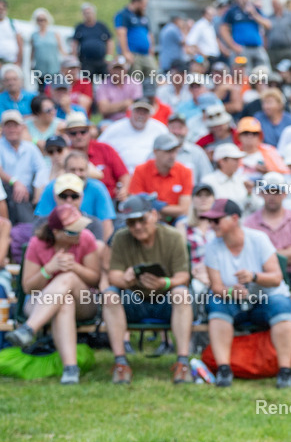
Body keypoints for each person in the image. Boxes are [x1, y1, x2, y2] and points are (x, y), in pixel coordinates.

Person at [202, 198, 291, 389]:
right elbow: (216, 287)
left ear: (234, 218)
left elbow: (276, 278)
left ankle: (285, 371)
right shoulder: (212, 246)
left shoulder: (258, 239)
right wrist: (231, 292)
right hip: (235, 302)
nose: (212, 225)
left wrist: (253, 276)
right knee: (216, 303)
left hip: (266, 298)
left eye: (216, 220)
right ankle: (224, 369)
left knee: (281, 305)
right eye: (210, 221)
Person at [102, 195, 193, 384]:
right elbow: (113, 276)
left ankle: (182, 363)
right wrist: (125, 280)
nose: (136, 227)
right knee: (110, 295)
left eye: (141, 220)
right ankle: (120, 363)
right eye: (131, 222)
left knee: (181, 293)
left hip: (164, 300)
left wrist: (164, 283)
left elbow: (183, 276)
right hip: (134, 299)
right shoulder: (120, 237)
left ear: (153, 215)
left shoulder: (173, 236)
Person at [7, 205, 100, 384]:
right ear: (56, 232)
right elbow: (28, 288)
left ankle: (28, 329)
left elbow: (95, 279)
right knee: (64, 303)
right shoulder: (38, 243)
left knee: (69, 277)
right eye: (73, 231)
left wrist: (75, 267)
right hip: (41, 303)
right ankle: (71, 369)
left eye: (81, 226)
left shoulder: (86, 239)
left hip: (84, 301)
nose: (80, 232)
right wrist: (49, 269)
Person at [244, 173, 291, 321]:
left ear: (284, 194)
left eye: (276, 191)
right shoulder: (250, 222)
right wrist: (287, 253)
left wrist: (267, 256)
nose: (272, 196)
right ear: (261, 193)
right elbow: (247, 254)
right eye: (268, 191)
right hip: (263, 276)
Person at [35, 149, 115, 240]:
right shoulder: (52, 187)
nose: (77, 174)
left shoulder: (98, 188)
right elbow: (42, 222)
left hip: (89, 234)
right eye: (63, 196)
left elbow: (106, 224)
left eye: (74, 196)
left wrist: (103, 250)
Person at [128, 133, 193, 222]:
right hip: (148, 220)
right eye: (168, 151)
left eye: (175, 151)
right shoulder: (141, 170)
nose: (172, 155)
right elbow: (136, 204)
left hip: (174, 220)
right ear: (155, 152)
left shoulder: (185, 171)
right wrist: (160, 210)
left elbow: (184, 210)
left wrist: (156, 205)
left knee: (183, 221)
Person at [97, 100, 170, 173]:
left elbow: (170, 149)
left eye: (145, 112)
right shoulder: (115, 128)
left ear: (150, 115)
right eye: (138, 111)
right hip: (121, 173)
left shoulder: (160, 128)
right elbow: (99, 147)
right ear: (131, 112)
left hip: (151, 173)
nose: (141, 115)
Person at [1, 109, 47, 221]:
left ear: (22, 127)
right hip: (8, 192)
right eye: (8, 126)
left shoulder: (30, 147)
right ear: (3, 128)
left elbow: (42, 168)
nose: (12, 129)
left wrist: (38, 188)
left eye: (15, 125)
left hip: (28, 192)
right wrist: (15, 182)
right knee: (18, 196)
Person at [175, 182, 216, 291]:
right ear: (192, 199)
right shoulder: (183, 225)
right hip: (193, 273)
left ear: (213, 199)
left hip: (215, 271)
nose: (203, 199)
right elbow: (181, 255)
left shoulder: (218, 224)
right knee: (197, 289)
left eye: (207, 195)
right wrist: (193, 273)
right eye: (199, 195)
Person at [220, 0, 272, 68]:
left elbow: (268, 25)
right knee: (244, 73)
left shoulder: (255, 9)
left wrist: (254, 15)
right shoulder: (232, 11)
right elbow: (223, 30)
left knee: (264, 70)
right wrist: (233, 46)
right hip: (241, 48)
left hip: (257, 47)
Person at [202, 143, 257, 213]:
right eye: (234, 159)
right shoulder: (208, 181)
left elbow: (256, 207)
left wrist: (249, 193)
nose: (237, 162)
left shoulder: (243, 179)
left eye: (238, 159)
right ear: (221, 161)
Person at [114, 0, 155, 79]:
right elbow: (121, 34)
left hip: (146, 54)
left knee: (153, 76)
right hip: (133, 54)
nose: (145, 7)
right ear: (136, 2)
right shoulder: (123, 15)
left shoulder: (143, 17)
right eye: (143, 4)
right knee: (135, 79)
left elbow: (149, 34)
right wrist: (125, 52)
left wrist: (151, 50)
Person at [72, 3, 113, 76]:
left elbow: (109, 41)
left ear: (94, 13)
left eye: (90, 13)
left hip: (101, 60)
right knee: (87, 81)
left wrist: (109, 57)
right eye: (86, 13)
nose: (88, 15)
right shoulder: (80, 27)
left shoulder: (101, 26)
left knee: (107, 80)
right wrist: (75, 58)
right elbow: (75, 43)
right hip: (86, 61)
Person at [29, 8, 65, 84]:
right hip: (40, 69)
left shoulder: (54, 34)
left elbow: (61, 50)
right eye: (39, 20)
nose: (42, 22)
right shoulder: (34, 35)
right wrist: (30, 64)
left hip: (54, 68)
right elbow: (32, 51)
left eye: (43, 19)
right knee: (41, 89)